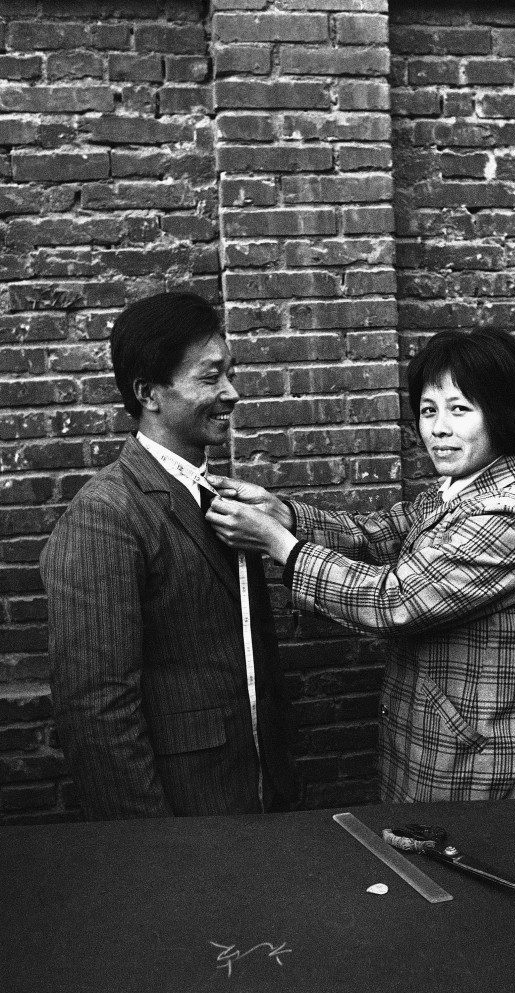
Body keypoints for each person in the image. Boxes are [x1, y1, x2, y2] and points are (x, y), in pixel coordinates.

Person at [206, 328, 515, 802]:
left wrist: (281, 546)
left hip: (484, 775)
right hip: (437, 760)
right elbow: (375, 533)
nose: (438, 428)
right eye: (429, 410)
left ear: (501, 414)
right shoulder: (458, 492)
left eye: (459, 409)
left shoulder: (506, 511)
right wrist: (283, 513)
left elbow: (396, 600)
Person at [40, 291, 296, 820]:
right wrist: (153, 846)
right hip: (185, 820)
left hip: (259, 804)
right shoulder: (105, 517)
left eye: (230, 372)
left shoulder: (224, 497)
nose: (231, 393)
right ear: (149, 393)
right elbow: (95, 711)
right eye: (209, 377)